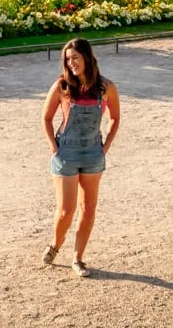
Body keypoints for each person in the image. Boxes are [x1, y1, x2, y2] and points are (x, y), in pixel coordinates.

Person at [41, 38, 120, 276]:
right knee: (66, 209)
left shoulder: (106, 87)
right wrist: (55, 148)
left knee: (88, 208)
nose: (71, 63)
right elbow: (46, 118)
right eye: (68, 59)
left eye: (75, 57)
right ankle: (56, 243)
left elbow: (115, 118)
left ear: (87, 57)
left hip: (93, 153)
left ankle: (78, 258)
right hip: (66, 152)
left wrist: (105, 147)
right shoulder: (62, 86)